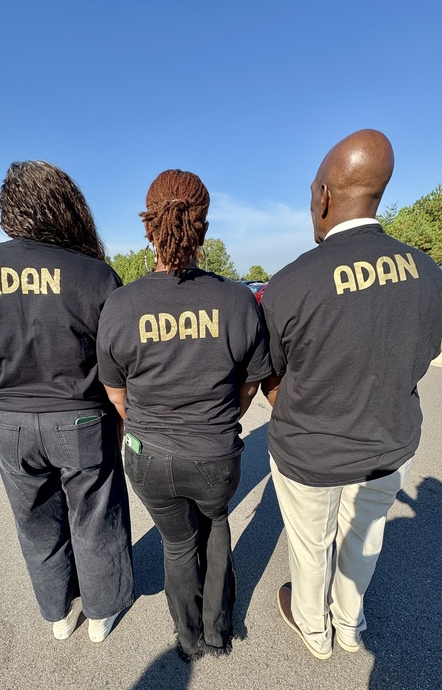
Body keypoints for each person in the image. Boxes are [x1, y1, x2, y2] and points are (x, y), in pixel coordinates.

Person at [261, 130, 442, 660]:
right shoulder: (431, 275)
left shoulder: (290, 284)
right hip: (388, 445)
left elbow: (270, 377)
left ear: (324, 195)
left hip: (310, 453)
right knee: (365, 536)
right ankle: (349, 623)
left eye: (310, 196)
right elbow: (422, 356)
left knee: (311, 546)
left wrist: (303, 411)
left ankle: (314, 628)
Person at [0, 160, 134, 643]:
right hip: (83, 417)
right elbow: (119, 362)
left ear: (9, 213)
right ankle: (102, 610)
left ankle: (57, 614)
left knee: (35, 522)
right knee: (95, 516)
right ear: (64, 207)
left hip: (12, 421)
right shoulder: (94, 275)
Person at [97, 169, 271, 661]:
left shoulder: (121, 304)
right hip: (215, 453)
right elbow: (252, 382)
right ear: (203, 226)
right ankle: (219, 635)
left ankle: (189, 639)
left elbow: (116, 394)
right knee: (216, 527)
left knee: (177, 544)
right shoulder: (236, 299)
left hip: (148, 455)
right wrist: (221, 418)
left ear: (149, 225)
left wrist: (149, 428)